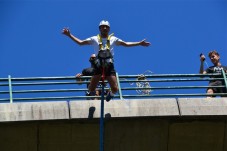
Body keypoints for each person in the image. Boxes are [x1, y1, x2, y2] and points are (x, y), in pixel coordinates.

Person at [62, 20, 151, 101]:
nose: (104, 28)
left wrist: (139, 43)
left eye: (106, 27)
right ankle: (93, 95)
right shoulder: (94, 39)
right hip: (98, 66)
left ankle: (109, 95)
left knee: (115, 89)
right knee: (91, 88)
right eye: (102, 27)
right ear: (99, 29)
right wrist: (69, 35)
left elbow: (126, 44)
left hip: (109, 66)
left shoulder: (113, 39)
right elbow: (80, 43)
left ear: (109, 29)